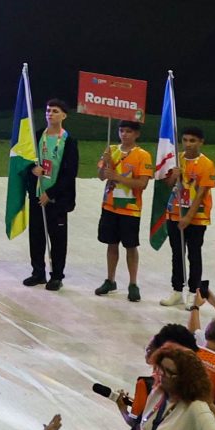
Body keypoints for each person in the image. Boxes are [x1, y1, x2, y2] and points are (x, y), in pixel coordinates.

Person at [22, 95, 78, 291]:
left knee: (57, 238)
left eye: (55, 111)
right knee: (36, 235)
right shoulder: (37, 136)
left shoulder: (68, 141)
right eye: (48, 110)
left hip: (58, 198)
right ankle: (38, 272)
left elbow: (70, 172)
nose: (50, 114)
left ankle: (57, 275)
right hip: (38, 194)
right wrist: (32, 169)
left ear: (64, 115)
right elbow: (26, 160)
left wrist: (52, 193)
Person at [94, 118, 151, 302]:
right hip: (110, 205)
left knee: (130, 246)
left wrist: (118, 177)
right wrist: (105, 164)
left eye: (128, 131)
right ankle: (110, 279)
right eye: (121, 131)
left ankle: (133, 283)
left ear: (136, 134)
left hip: (130, 208)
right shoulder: (111, 150)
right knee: (111, 243)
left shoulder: (143, 155)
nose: (124, 134)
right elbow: (101, 176)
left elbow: (142, 184)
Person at [164, 125, 215, 307]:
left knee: (194, 254)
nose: (188, 144)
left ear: (201, 142)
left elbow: (202, 193)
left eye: (192, 141)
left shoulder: (207, 164)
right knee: (177, 253)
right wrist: (174, 176)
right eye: (185, 140)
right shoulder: (176, 159)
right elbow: (168, 184)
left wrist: (188, 217)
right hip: (174, 212)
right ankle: (177, 290)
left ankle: (194, 291)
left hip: (196, 216)